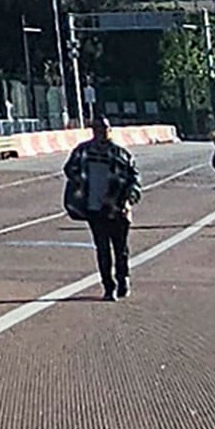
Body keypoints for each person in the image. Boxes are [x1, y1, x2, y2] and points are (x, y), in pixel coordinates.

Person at [61, 115, 143, 301]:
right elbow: (69, 170)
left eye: (104, 129)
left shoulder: (120, 154)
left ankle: (123, 279)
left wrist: (128, 199)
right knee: (102, 249)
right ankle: (108, 286)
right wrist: (80, 185)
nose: (101, 132)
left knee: (120, 248)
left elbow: (134, 180)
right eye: (97, 129)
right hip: (94, 208)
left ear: (110, 130)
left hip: (118, 209)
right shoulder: (83, 152)